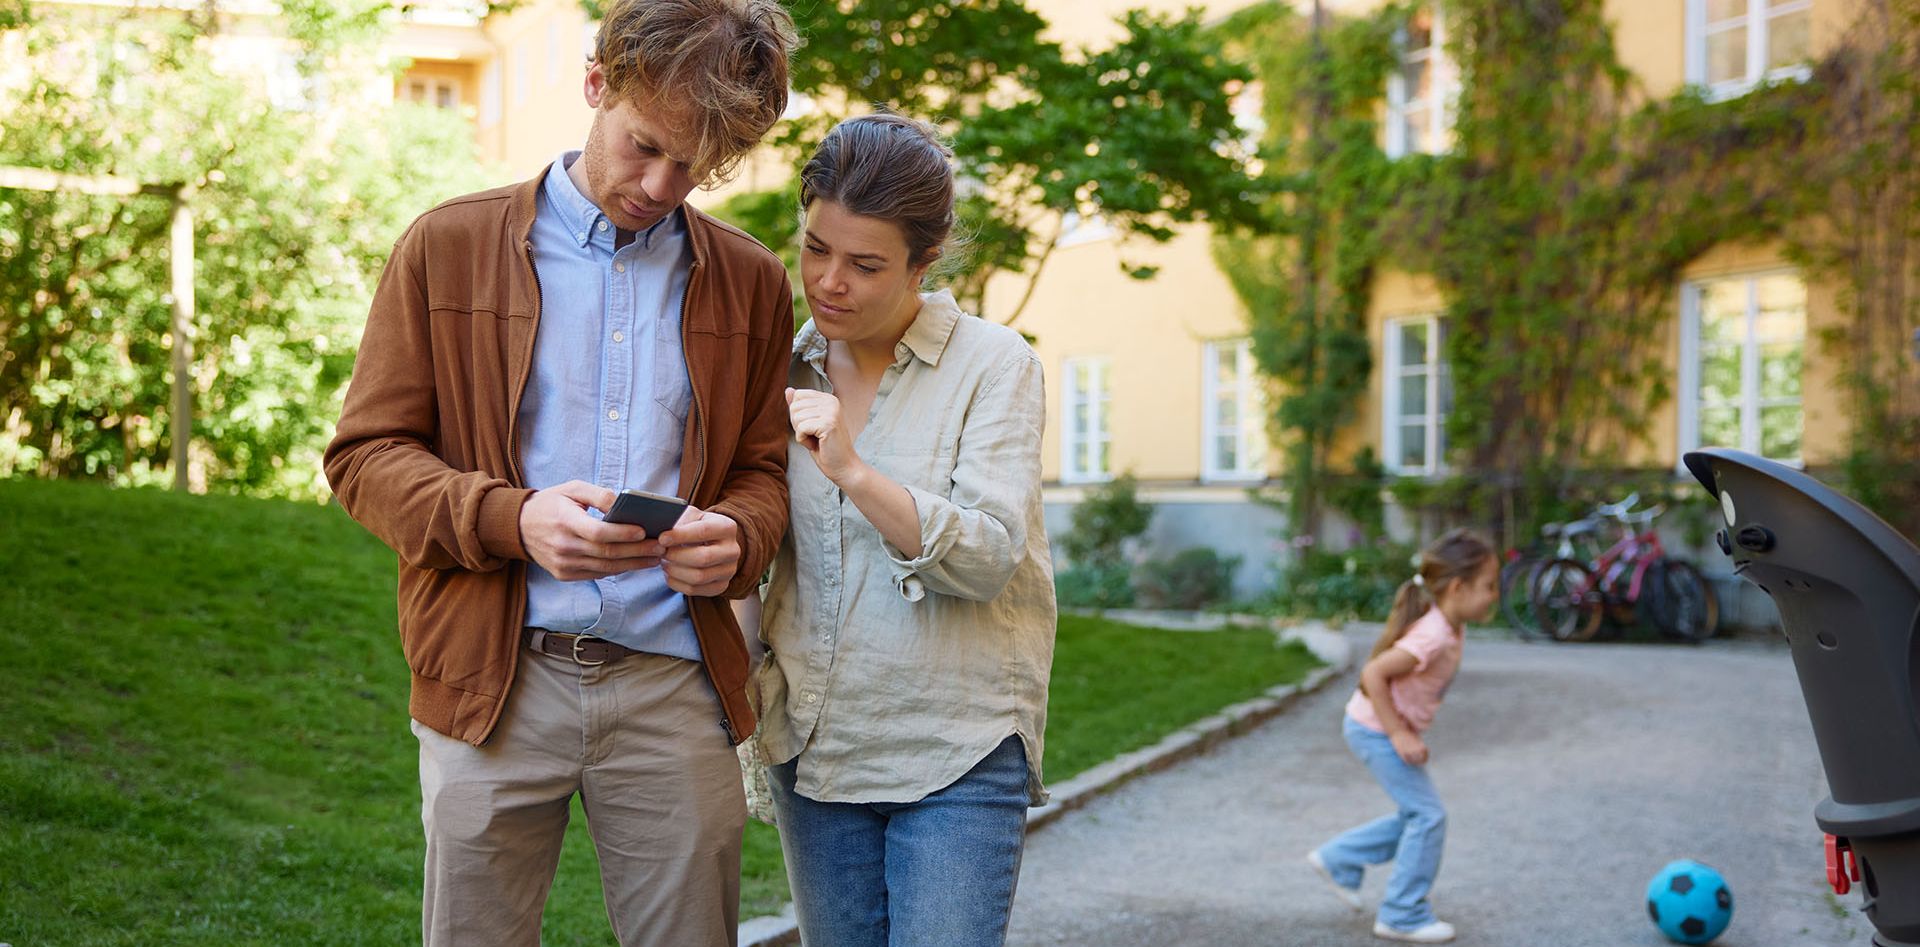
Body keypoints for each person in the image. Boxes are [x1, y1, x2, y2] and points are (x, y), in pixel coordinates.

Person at [321, 1, 797, 943]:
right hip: (493, 683)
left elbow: (765, 472)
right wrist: (514, 518)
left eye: (693, 167)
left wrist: (740, 538)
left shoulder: (751, 280)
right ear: (595, 85)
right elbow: (364, 459)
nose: (661, 185)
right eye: (645, 146)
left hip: (676, 686)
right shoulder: (447, 246)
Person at [753, 113, 1057, 947]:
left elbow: (991, 554)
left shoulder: (995, 364)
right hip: (815, 745)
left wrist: (852, 468)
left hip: (954, 747)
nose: (830, 280)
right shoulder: (776, 366)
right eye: (816, 247)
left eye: (866, 263)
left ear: (926, 261)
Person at [1306, 528, 1499, 944]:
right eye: (1489, 586)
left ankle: (1339, 859)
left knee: (1416, 814)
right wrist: (1398, 734)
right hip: (1374, 729)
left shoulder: (1450, 625)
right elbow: (1372, 672)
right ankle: (1402, 913)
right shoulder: (1431, 635)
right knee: (1428, 816)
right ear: (1457, 587)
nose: (1495, 595)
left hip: (1374, 727)